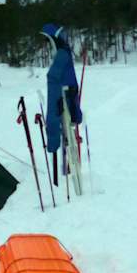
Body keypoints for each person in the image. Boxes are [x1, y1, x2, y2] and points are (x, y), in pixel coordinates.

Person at [41, 23, 82, 182]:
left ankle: (68, 175)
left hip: (65, 100)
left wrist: (52, 138)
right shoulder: (65, 54)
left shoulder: (62, 55)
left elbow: (53, 79)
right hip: (68, 99)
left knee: (68, 138)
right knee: (68, 137)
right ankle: (67, 172)